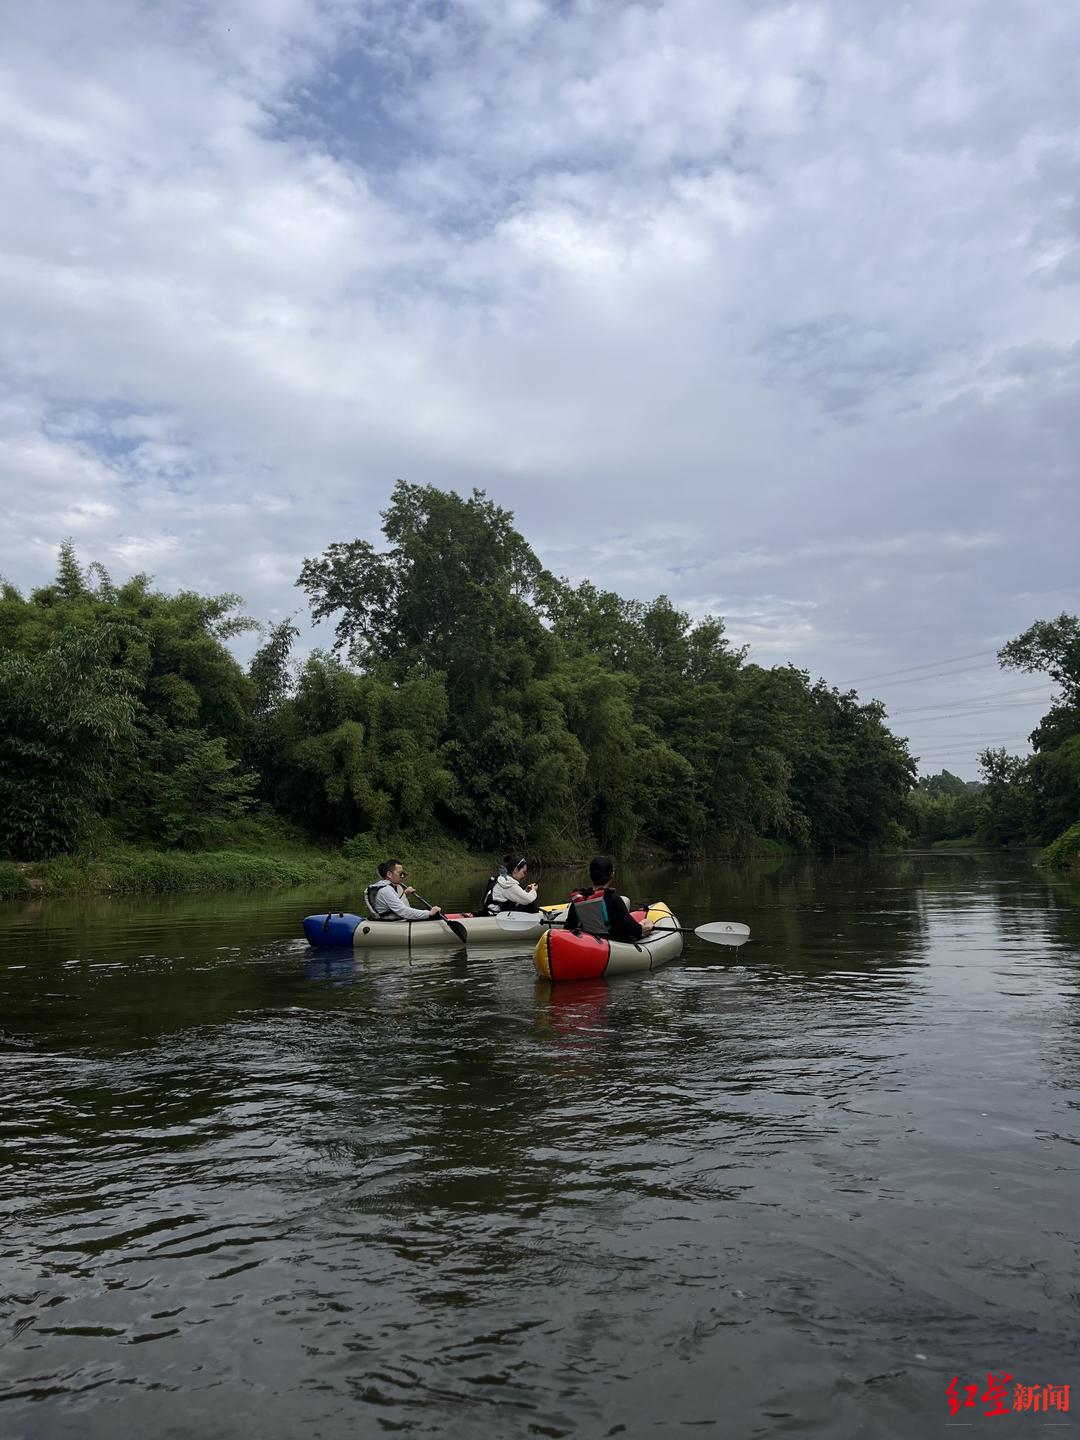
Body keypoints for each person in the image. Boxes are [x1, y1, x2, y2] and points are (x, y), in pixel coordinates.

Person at [565, 856, 653, 941]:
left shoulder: (578, 901)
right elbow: (636, 931)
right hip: (612, 946)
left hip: (588, 945)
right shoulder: (614, 900)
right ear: (612, 875)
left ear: (590, 875)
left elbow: (568, 928)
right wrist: (647, 923)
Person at [366, 859, 442, 922]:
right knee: (433, 915)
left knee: (427, 911)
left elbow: (394, 903)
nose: (402, 876)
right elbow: (403, 911)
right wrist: (429, 913)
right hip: (392, 923)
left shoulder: (387, 887)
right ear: (389, 874)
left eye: (403, 873)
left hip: (393, 919)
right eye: (400, 873)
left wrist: (405, 894)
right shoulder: (386, 890)